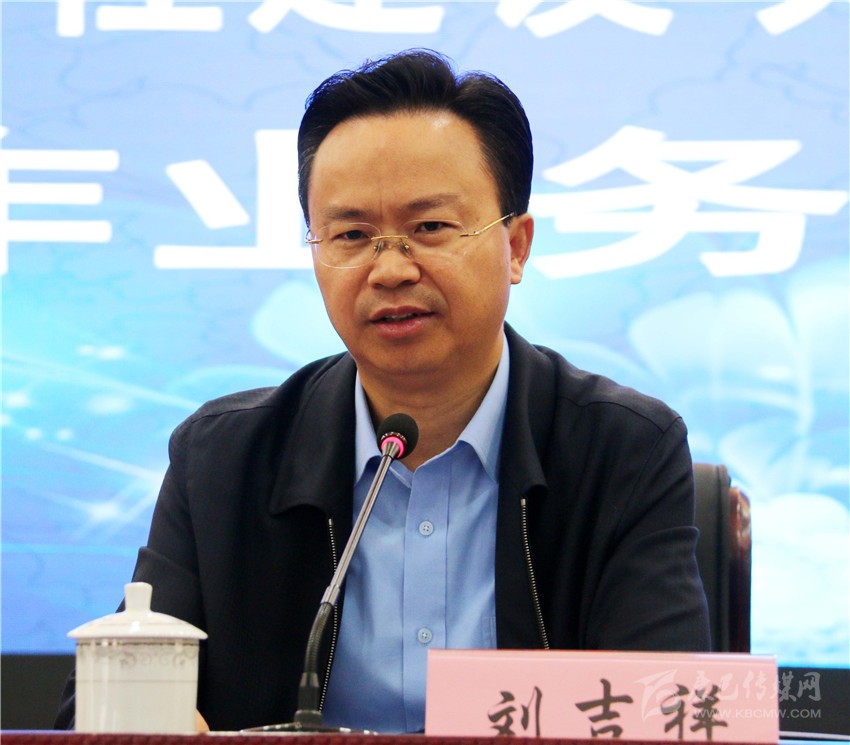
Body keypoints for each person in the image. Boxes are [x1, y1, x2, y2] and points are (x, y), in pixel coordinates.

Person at [56, 48, 709, 734]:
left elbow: (666, 715)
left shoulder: (623, 449)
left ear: (516, 247)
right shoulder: (223, 458)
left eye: (429, 228)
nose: (390, 269)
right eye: (351, 234)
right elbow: (97, 708)